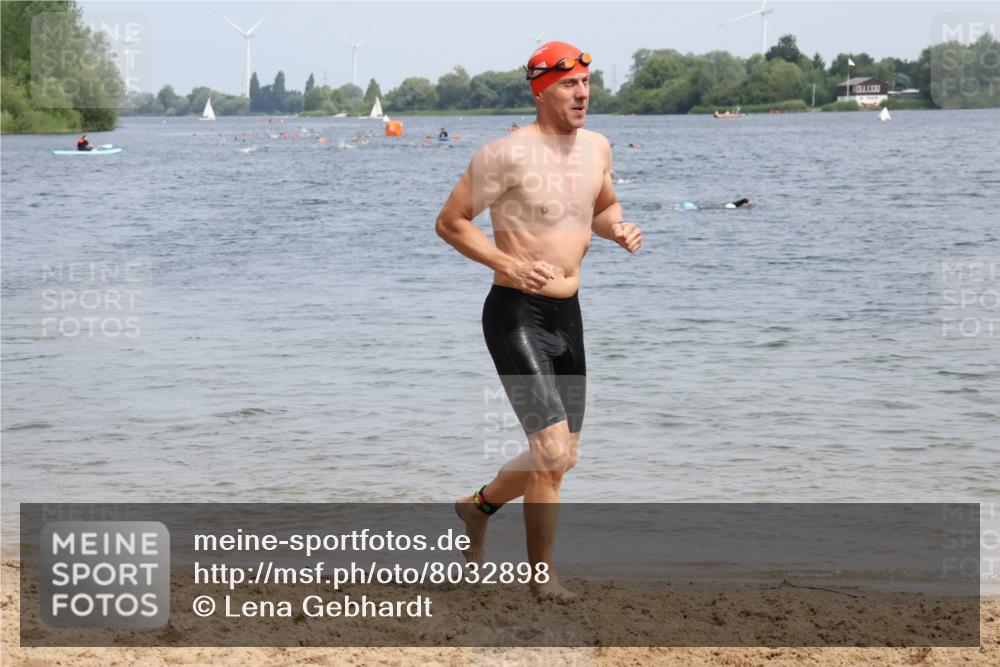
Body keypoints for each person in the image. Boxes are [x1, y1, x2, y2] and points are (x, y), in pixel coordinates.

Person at [435, 40, 642, 600]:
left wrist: (617, 228)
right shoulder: (504, 155)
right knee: (550, 454)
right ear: (542, 89)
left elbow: (600, 208)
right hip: (515, 314)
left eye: (586, 84)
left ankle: (475, 508)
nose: (582, 94)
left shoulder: (597, 147)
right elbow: (451, 222)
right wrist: (507, 262)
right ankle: (541, 580)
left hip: (568, 314)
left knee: (562, 456)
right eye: (570, 85)